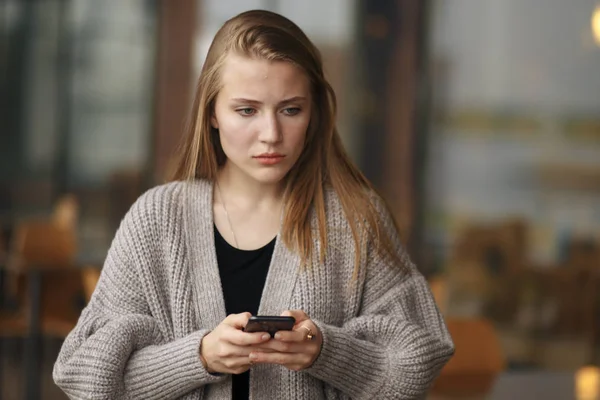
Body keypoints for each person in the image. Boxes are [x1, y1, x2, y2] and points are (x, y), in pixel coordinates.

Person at [53, 9, 454, 400]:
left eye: (291, 109)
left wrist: (325, 352)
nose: (271, 134)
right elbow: (84, 376)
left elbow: (417, 361)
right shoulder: (157, 219)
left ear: (314, 114)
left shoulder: (355, 219)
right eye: (247, 110)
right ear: (211, 113)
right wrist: (200, 356)